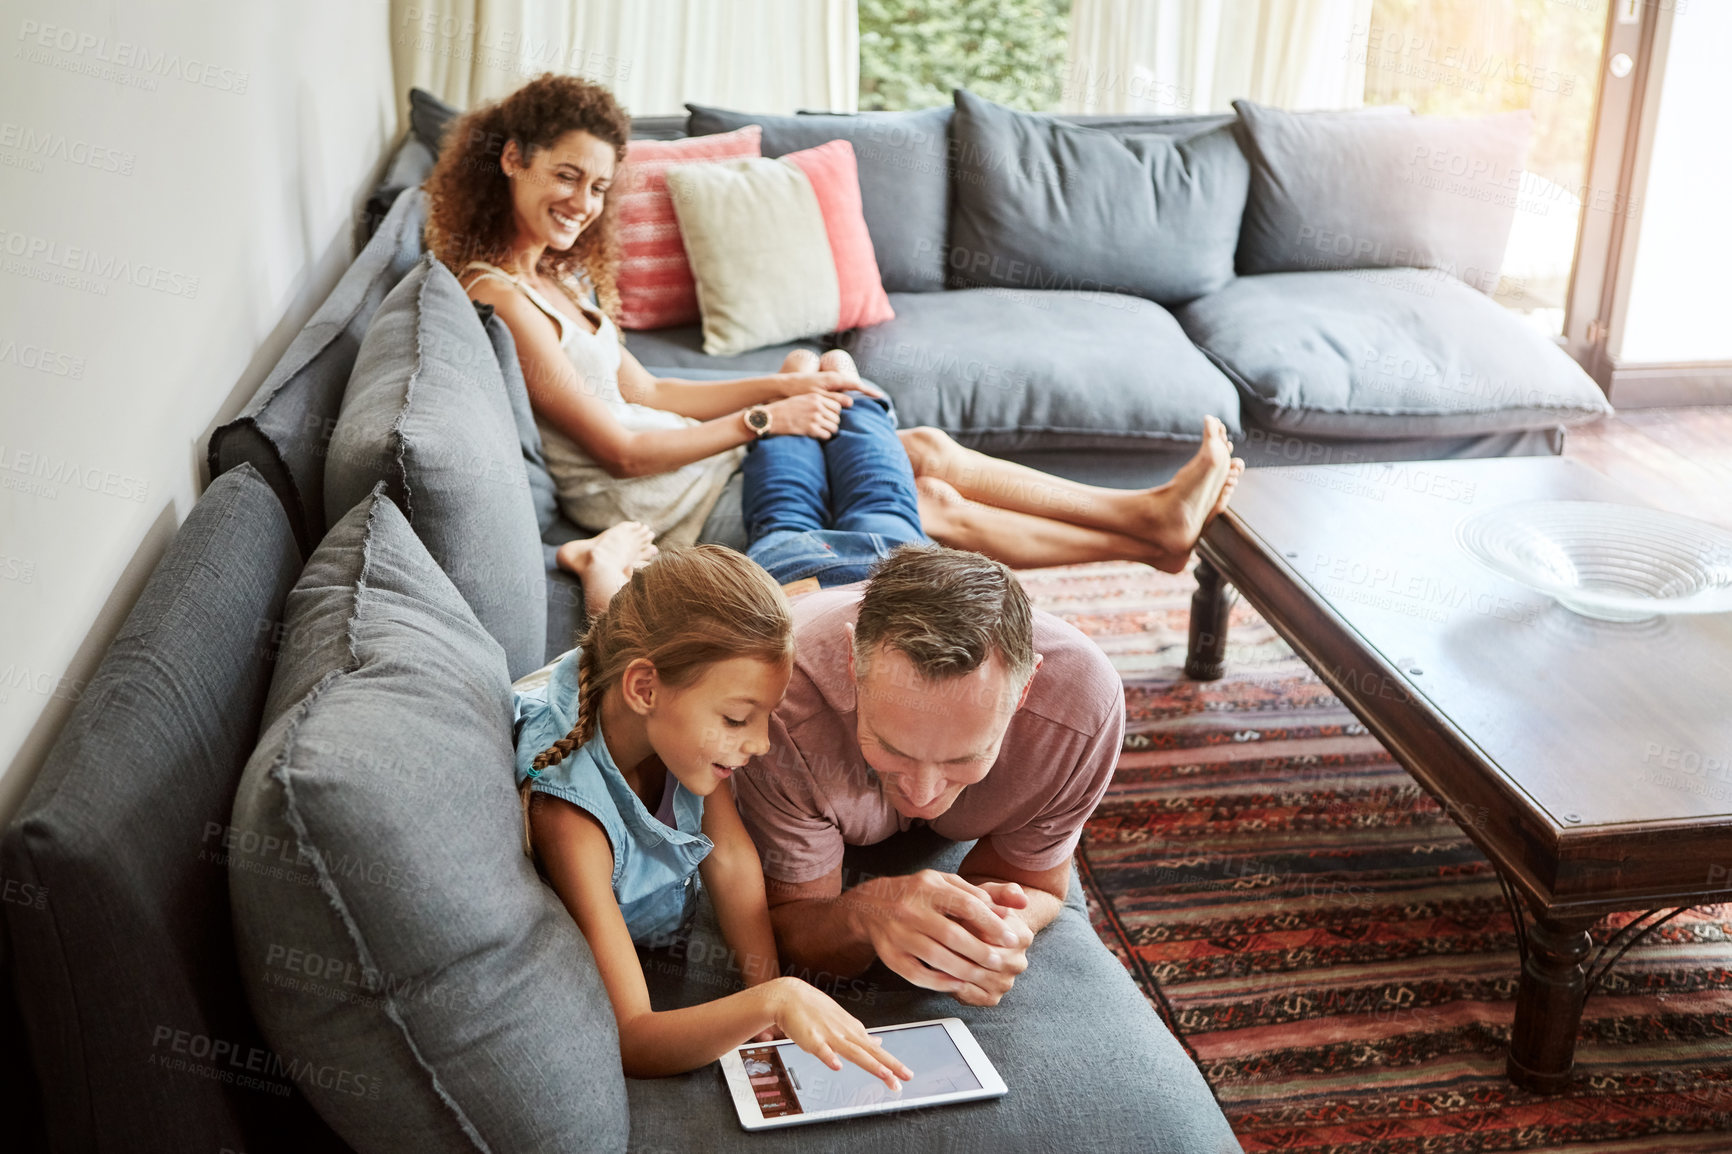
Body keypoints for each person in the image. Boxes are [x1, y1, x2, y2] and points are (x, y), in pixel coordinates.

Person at [730, 398, 1128, 1006]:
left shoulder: (1080, 708)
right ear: (852, 667)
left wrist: (1005, 927)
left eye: (963, 759)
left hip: (906, 565)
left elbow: (1035, 883)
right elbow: (791, 922)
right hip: (796, 575)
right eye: (892, 751)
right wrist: (863, 913)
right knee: (785, 503)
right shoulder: (782, 709)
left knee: (885, 499)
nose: (920, 792)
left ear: (1025, 690)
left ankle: (855, 398)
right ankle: (814, 389)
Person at [513, 544, 912, 1088]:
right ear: (644, 689)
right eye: (737, 718)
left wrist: (763, 990)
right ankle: (601, 561)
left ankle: (602, 562)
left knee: (613, 626)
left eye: (766, 716)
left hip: (630, 687)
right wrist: (776, 999)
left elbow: (730, 859)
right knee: (616, 640)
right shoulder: (571, 820)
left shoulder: (674, 733)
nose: (763, 744)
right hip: (604, 714)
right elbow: (632, 1036)